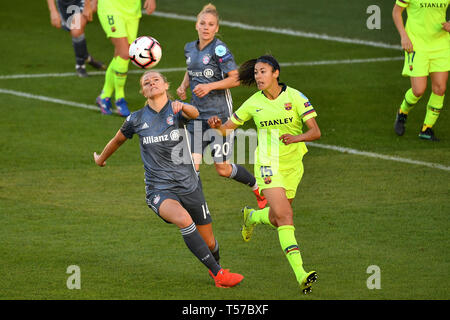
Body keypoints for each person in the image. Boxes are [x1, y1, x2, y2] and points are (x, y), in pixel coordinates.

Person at [93, 70, 244, 288]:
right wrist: (101, 159)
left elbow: (194, 113)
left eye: (156, 80)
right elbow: (117, 140)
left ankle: (216, 270)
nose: (151, 83)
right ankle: (219, 274)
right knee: (184, 220)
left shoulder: (176, 110)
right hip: (159, 190)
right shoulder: (136, 119)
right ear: (143, 91)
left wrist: (182, 105)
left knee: (209, 242)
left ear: (165, 86)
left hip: (190, 185)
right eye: (147, 82)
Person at [208, 55, 321, 294]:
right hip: (267, 164)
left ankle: (252, 217)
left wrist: (296, 138)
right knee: (286, 215)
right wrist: (216, 125)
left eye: (263, 71)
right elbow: (226, 130)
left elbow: (315, 132)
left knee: (275, 218)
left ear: (275, 73)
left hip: (293, 165)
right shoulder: (252, 103)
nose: (258, 76)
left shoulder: (295, 97)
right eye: (256, 72)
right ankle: (301, 274)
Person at [176, 4, 267, 209]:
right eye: (202, 23)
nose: (206, 27)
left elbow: (235, 79)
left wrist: (209, 86)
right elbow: (191, 69)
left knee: (223, 169)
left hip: (220, 119)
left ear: (216, 28)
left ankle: (256, 186)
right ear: (196, 25)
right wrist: (183, 86)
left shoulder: (219, 49)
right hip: (197, 116)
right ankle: (197, 209)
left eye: (211, 24)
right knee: (191, 165)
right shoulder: (189, 47)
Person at [393, 0, 450, 141]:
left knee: (440, 88)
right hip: (416, 45)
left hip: (441, 44)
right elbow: (396, 12)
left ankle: (426, 129)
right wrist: (403, 36)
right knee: (418, 90)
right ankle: (402, 112)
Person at [96, 0, 156, 117]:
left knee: (121, 55)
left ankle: (104, 96)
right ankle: (120, 98)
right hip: (110, 7)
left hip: (132, 10)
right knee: (124, 52)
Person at [46, 0, 106, 77]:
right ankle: (86, 57)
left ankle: (80, 64)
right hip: (62, 4)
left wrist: (89, 5)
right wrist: (53, 11)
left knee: (76, 30)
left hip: (81, 1)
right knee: (75, 32)